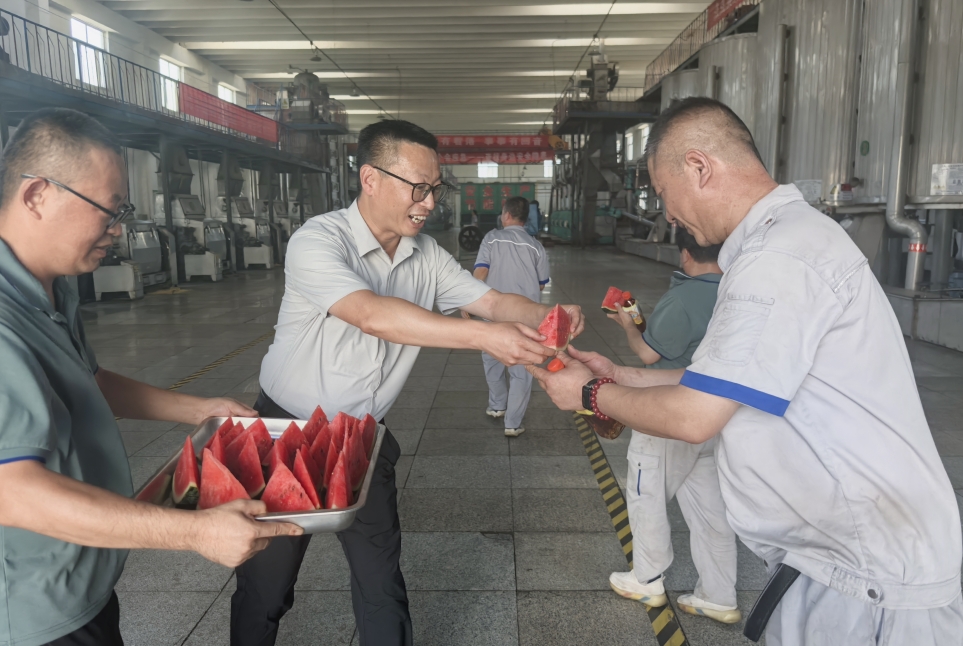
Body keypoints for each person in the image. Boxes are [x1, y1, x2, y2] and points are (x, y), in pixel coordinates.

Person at [530, 97, 963, 645]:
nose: (667, 215)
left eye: (663, 192)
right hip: (846, 560)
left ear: (698, 167)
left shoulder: (777, 259)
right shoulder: (785, 241)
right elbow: (725, 382)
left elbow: (695, 416)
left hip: (866, 576)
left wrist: (589, 393)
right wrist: (622, 374)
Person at [238, 119, 584, 646]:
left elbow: (491, 301)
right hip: (289, 434)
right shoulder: (318, 240)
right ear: (370, 178)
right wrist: (483, 338)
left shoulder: (426, 255)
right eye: (417, 187)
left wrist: (547, 313)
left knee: (382, 584)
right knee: (267, 586)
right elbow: (371, 314)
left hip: (363, 436)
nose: (428, 203)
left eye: (435, 189)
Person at [0, 108, 301, 646]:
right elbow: (15, 493)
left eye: (123, 212)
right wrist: (194, 532)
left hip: (83, 576)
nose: (117, 230)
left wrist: (199, 410)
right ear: (38, 195)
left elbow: (86, 381)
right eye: (108, 210)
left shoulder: (51, 286)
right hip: (30, 611)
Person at [607, 226, 740, 624]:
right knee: (711, 511)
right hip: (713, 414)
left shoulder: (682, 297)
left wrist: (628, 325)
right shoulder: (734, 292)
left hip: (667, 413)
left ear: (685, 254)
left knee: (645, 493)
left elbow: (649, 355)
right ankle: (718, 594)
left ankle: (647, 578)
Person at [468, 195, 550, 437]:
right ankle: (513, 423)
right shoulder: (536, 246)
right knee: (522, 370)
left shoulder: (492, 238)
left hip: (493, 314)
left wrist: (469, 301)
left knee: (492, 362)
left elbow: (481, 272)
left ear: (506, 215)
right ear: (525, 219)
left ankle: (497, 406)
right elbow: (542, 284)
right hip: (526, 317)